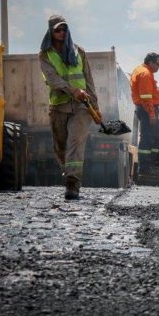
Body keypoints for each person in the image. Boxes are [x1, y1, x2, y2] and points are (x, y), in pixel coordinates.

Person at [39, 15, 98, 200]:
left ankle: (72, 185)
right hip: (59, 107)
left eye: (64, 29)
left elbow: (88, 79)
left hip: (82, 107)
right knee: (61, 147)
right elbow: (52, 79)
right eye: (57, 29)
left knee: (75, 143)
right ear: (50, 31)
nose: (62, 32)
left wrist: (95, 106)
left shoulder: (78, 51)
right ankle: (68, 173)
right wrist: (73, 90)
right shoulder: (45, 54)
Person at [130, 53, 159, 175]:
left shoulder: (140, 70)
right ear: (151, 62)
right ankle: (145, 168)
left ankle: (147, 166)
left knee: (153, 136)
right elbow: (146, 97)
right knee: (149, 138)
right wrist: (152, 114)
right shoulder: (145, 74)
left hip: (144, 109)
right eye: (158, 64)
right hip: (147, 110)